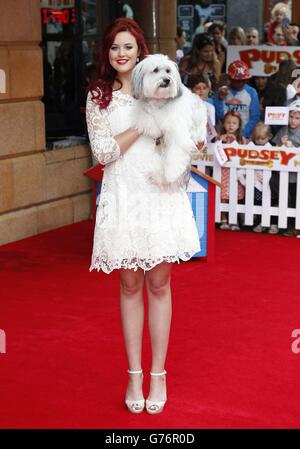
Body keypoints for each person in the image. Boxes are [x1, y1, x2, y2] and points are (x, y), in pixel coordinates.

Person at [86, 18, 204, 414]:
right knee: (129, 284)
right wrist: (141, 123)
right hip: (122, 195)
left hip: (160, 195)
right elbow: (103, 153)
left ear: (140, 52)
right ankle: (133, 374)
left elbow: (184, 137)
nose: (121, 53)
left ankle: (158, 374)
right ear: (107, 54)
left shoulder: (164, 86)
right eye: (114, 47)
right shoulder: (100, 95)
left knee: (159, 283)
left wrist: (188, 134)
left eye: (129, 47)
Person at [272, 99, 300, 237]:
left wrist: (293, 148)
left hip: (296, 175)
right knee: (284, 198)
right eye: (291, 117)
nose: (293, 121)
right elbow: (274, 150)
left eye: (297, 118)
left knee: (296, 199)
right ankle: (285, 224)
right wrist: (281, 144)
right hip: (283, 173)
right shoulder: (284, 130)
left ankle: (296, 226)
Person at [214, 60, 260, 139]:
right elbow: (219, 116)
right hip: (224, 134)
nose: (240, 83)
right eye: (237, 80)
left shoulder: (251, 92)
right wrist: (220, 100)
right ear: (230, 78)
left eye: (243, 80)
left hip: (245, 136)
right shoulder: (223, 91)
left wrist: (242, 134)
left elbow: (255, 117)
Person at [218, 111, 247, 231]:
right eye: (228, 122)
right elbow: (214, 149)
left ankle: (234, 219)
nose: (231, 125)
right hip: (223, 171)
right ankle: (223, 219)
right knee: (223, 196)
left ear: (239, 125)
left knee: (236, 197)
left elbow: (247, 152)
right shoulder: (219, 137)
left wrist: (238, 143)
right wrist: (221, 141)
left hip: (236, 173)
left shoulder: (242, 140)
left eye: (234, 123)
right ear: (224, 124)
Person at [250, 122, 273, 233]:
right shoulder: (252, 147)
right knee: (257, 201)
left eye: (263, 139)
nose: (260, 142)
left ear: (269, 137)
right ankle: (259, 222)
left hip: (268, 180)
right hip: (255, 180)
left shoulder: (271, 148)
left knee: (269, 202)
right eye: (257, 139)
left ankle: (268, 223)